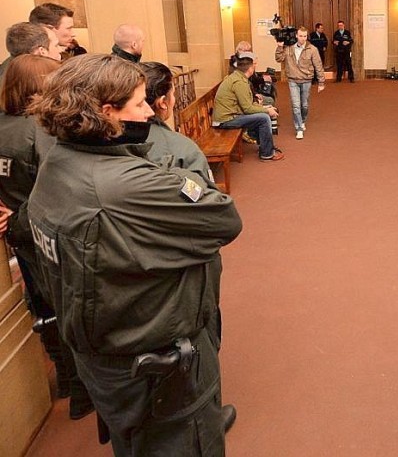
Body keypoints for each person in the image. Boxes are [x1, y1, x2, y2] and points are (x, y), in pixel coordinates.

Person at [27, 54, 243, 456]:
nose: (150, 110)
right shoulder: (127, 186)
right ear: (108, 114)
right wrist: (172, 175)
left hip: (103, 354)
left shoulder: (57, 162)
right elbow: (223, 217)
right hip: (158, 365)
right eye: (140, 102)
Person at [141, 61, 237, 431]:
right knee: (199, 335)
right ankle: (205, 415)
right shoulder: (178, 149)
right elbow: (214, 217)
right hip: (182, 266)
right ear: (165, 101)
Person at [0, 54, 94, 420]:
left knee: (45, 309)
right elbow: (57, 187)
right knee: (71, 310)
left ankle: (69, 381)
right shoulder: (40, 133)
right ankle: (84, 391)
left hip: (21, 238)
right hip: (49, 234)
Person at [214, 54, 283, 161]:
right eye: (254, 65)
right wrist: (267, 110)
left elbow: (247, 104)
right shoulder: (239, 82)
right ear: (250, 69)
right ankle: (267, 153)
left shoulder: (237, 77)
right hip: (226, 120)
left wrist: (266, 107)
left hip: (231, 114)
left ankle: (266, 147)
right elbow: (247, 108)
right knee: (264, 118)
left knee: (262, 115)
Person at [274, 26, 325, 139]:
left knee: (304, 105)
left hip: (306, 80)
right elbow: (279, 59)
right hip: (293, 80)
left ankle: (302, 121)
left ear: (307, 36)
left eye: (305, 36)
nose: (303, 38)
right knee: (296, 105)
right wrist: (279, 47)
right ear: (296, 36)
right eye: (300, 36)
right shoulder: (289, 48)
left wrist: (321, 82)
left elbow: (318, 65)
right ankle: (299, 128)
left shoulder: (312, 49)